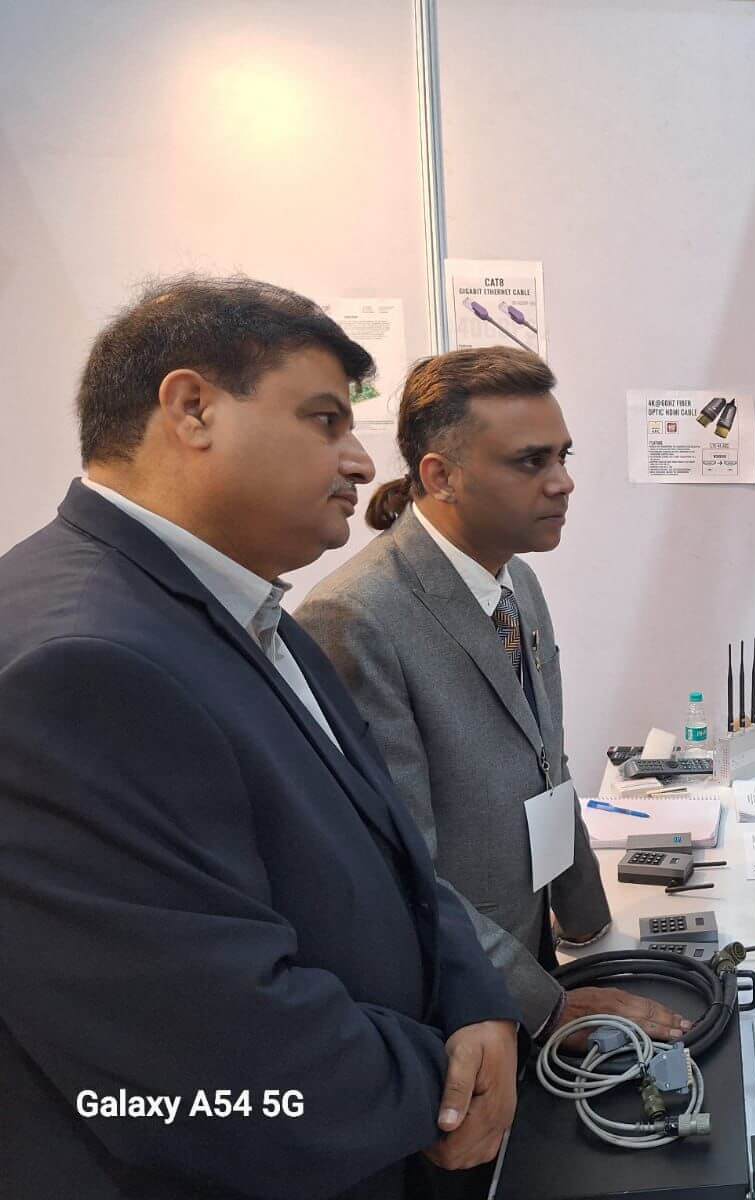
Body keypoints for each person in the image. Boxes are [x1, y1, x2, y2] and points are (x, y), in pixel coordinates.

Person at [0, 276, 522, 1200]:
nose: (361, 462)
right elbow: (212, 1059)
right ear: (191, 409)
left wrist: (479, 1000)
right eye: (324, 420)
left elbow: (392, 853)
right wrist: (446, 1079)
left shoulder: (240, 608)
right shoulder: (82, 663)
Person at [298, 347, 691, 1044]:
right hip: (460, 998)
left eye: (563, 456)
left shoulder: (515, 582)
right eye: (531, 462)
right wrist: (545, 1005)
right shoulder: (355, 617)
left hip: (534, 948)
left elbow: (546, 764)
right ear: (440, 476)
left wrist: (589, 930)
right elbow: (401, 867)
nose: (563, 482)